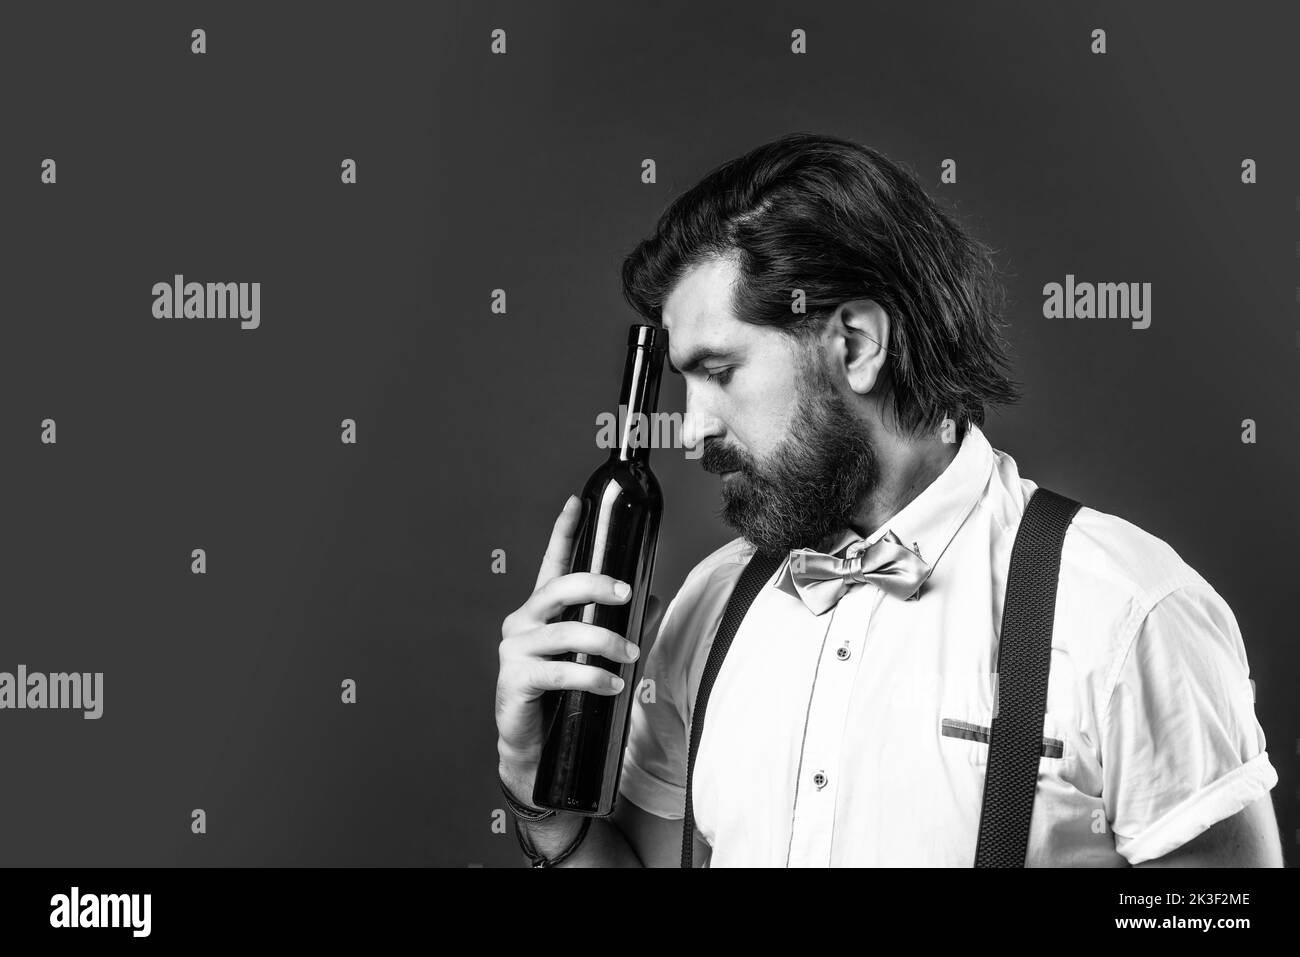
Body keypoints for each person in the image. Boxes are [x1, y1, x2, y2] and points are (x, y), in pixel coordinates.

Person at [494, 132, 1284, 867]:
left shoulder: (1128, 609)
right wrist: (541, 795)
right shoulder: (711, 604)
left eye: (721, 370)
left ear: (856, 345)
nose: (691, 427)